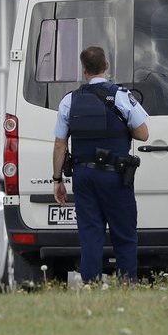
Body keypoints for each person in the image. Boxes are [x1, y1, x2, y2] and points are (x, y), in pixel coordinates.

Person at [52, 46, 149, 283]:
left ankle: (90, 284)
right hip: (116, 175)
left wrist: (57, 180)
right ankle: (127, 283)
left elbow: (60, 145)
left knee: (90, 234)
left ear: (83, 70)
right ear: (106, 66)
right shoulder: (121, 96)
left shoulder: (69, 100)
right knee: (124, 233)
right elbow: (143, 134)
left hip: (83, 175)